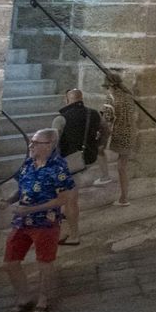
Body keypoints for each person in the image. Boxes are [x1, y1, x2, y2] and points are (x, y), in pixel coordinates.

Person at [0, 128, 75, 312]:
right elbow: (21, 188)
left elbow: (63, 199)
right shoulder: (28, 163)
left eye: (35, 142)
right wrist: (8, 200)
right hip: (22, 222)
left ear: (48, 145)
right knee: (10, 263)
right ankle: (23, 299)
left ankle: (42, 302)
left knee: (44, 264)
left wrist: (32, 209)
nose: (30, 145)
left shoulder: (58, 167)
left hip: (45, 222)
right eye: (31, 141)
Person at [51, 89, 101, 245]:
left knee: (70, 200)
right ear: (81, 99)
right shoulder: (94, 114)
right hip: (87, 158)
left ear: (67, 100)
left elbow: (52, 143)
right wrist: (99, 145)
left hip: (68, 163)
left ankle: (74, 236)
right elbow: (105, 130)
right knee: (67, 198)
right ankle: (65, 230)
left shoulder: (61, 119)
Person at [103, 71, 136, 206]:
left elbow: (107, 118)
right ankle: (124, 196)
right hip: (131, 132)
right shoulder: (129, 96)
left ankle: (123, 198)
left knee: (120, 167)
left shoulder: (111, 98)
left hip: (119, 133)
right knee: (123, 164)